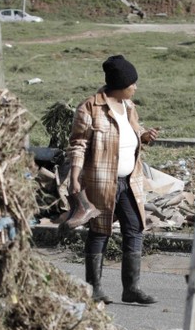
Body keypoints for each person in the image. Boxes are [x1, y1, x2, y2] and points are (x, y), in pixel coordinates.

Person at [68, 54, 160, 304]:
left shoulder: (129, 107)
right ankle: (94, 289)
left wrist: (145, 136)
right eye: (132, 83)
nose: (135, 87)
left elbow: (132, 133)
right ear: (120, 84)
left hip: (129, 181)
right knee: (99, 232)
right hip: (101, 182)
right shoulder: (90, 108)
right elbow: (78, 144)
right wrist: (74, 177)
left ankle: (131, 288)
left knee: (135, 228)